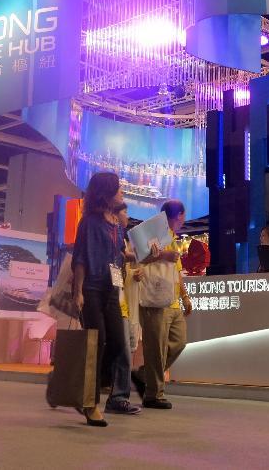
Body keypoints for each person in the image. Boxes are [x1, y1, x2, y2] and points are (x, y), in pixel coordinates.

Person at [72, 172, 137, 425]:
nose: (122, 192)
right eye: (118, 189)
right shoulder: (89, 222)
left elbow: (120, 256)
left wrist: (146, 255)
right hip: (92, 289)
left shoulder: (116, 224)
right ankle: (90, 404)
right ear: (106, 193)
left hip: (112, 290)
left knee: (118, 344)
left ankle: (85, 390)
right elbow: (80, 259)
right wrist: (78, 292)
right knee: (96, 344)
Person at [137, 199, 192, 410]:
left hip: (172, 300)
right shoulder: (152, 232)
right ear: (177, 215)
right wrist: (162, 255)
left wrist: (185, 296)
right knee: (156, 348)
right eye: (182, 216)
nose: (183, 221)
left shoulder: (173, 237)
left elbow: (177, 272)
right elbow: (139, 258)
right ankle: (154, 394)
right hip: (154, 298)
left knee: (179, 342)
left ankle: (145, 374)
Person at [112, 203, 145, 403]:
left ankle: (119, 392)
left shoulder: (120, 238)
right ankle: (118, 393)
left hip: (121, 297)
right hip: (111, 296)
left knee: (125, 344)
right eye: (124, 211)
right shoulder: (107, 233)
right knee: (119, 345)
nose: (127, 215)